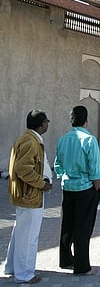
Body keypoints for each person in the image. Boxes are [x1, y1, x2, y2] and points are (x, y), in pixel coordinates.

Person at [4, 110, 52, 284]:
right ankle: (24, 274)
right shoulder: (31, 142)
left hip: (26, 194)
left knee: (21, 233)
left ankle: (12, 267)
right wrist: (42, 183)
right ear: (41, 124)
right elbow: (23, 168)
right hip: (30, 195)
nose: (48, 124)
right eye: (46, 121)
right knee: (29, 236)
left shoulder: (28, 139)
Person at [54, 105, 100, 275]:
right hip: (85, 188)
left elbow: (57, 165)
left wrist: (64, 178)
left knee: (67, 224)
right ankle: (82, 266)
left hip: (68, 188)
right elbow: (95, 168)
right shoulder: (89, 139)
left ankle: (65, 259)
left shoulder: (63, 139)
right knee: (83, 227)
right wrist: (96, 188)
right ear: (86, 121)